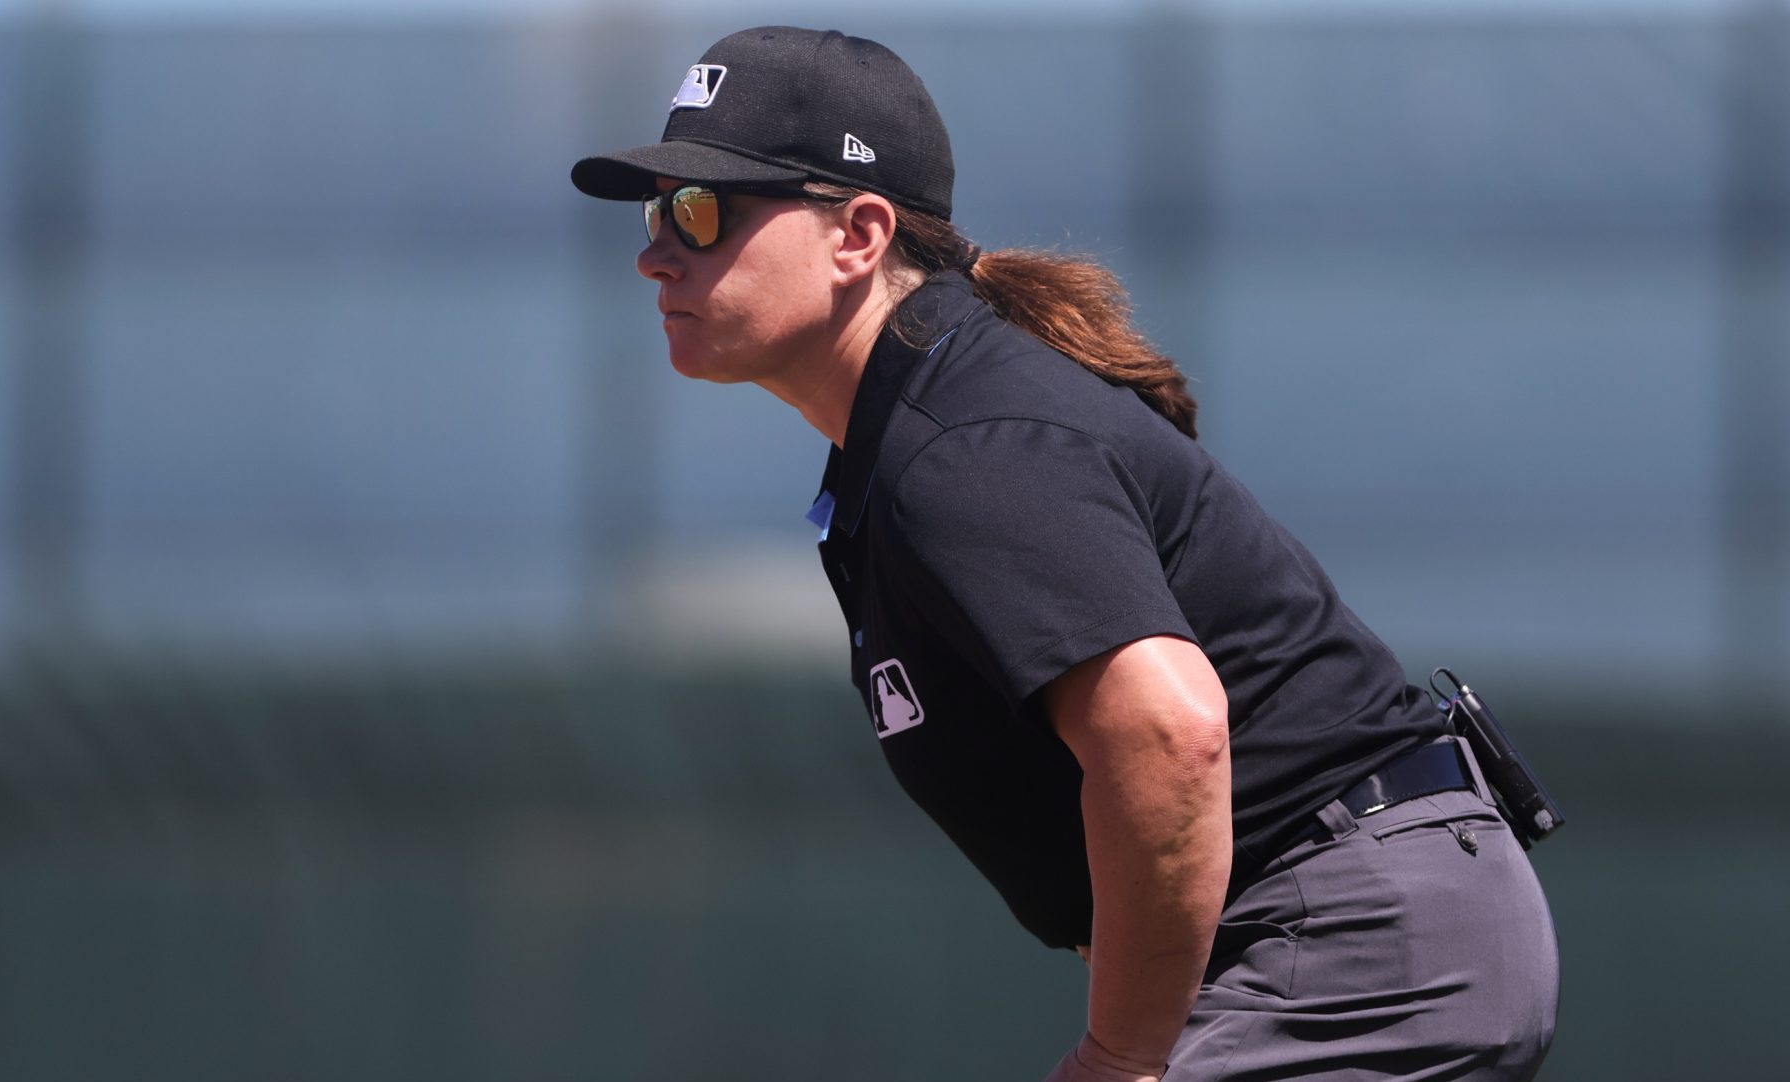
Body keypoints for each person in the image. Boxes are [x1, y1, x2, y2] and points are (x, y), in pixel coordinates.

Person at [571, 26, 1558, 1082]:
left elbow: (1168, 731)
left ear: (858, 234)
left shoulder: (962, 441)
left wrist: (1122, 1054)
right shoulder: (924, 429)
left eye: (704, 210)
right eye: (657, 211)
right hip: (1356, 922)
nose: (656, 252)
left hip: (1361, 935)